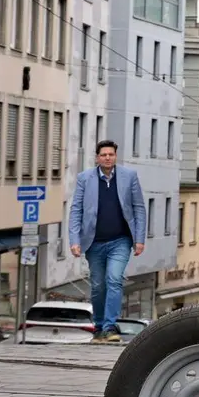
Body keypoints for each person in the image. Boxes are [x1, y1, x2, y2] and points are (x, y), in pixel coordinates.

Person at [68, 141, 147, 342]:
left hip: (120, 240)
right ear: (97, 158)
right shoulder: (84, 179)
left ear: (115, 156)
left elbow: (139, 208)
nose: (107, 158)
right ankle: (99, 325)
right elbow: (76, 210)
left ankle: (110, 327)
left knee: (114, 279)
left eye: (111, 154)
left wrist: (139, 239)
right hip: (93, 242)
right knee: (97, 286)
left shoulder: (129, 177)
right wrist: (74, 240)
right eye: (103, 155)